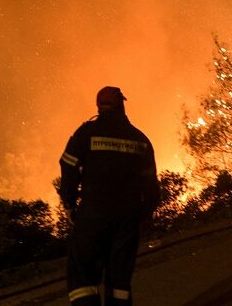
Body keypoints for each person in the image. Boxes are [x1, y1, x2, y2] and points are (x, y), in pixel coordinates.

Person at [58, 86, 160, 306]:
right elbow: (151, 184)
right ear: (122, 106)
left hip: (93, 213)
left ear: (98, 106)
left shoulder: (86, 133)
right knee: (119, 278)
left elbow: (68, 165)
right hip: (127, 217)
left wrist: (69, 202)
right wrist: (144, 215)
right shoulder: (140, 139)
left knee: (82, 271)